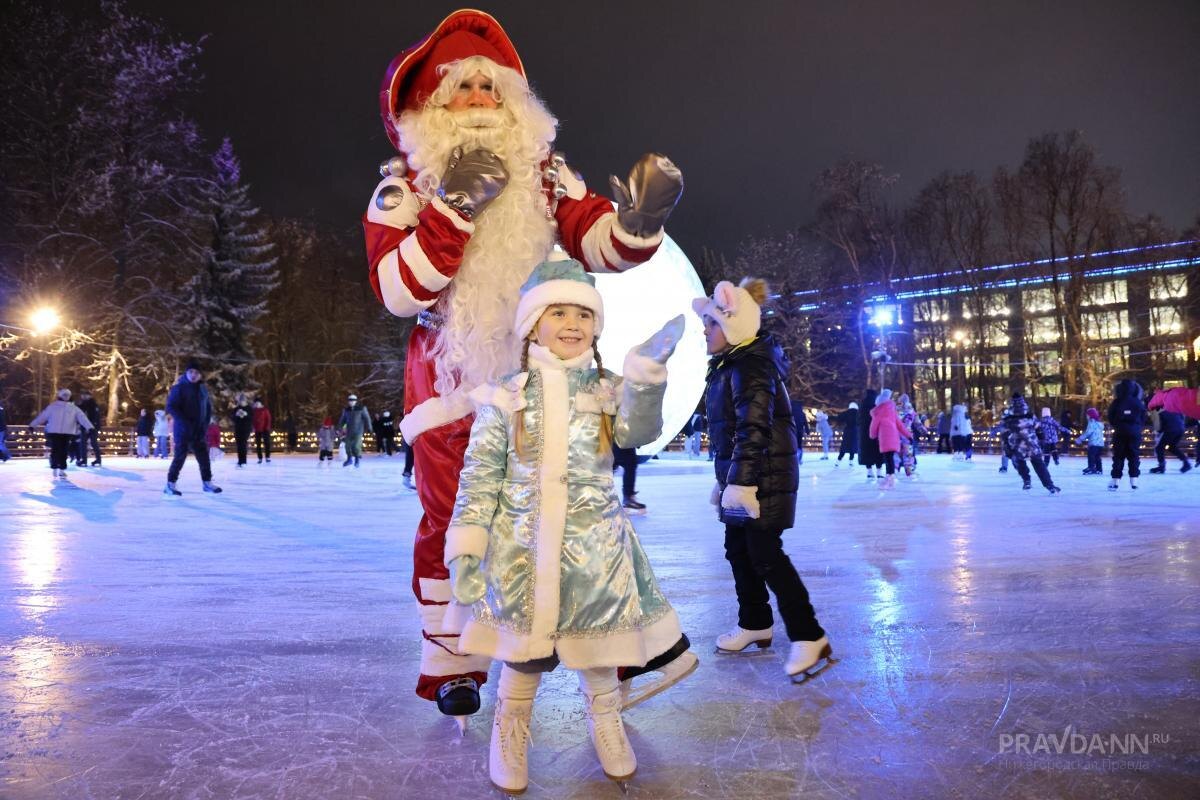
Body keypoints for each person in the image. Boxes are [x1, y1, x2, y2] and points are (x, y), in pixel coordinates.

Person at [362, 10, 689, 719]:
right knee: (454, 517)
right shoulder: (404, 190)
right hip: (452, 382)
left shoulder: (547, 178)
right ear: (429, 103)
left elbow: (599, 242)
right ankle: (454, 662)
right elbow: (395, 290)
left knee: (575, 515)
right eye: (463, 85)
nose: (480, 96)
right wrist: (452, 208)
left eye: (491, 84)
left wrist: (637, 224)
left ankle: (602, 651)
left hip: (549, 374)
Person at [443, 260, 686, 792]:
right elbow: (480, 475)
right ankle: (510, 727)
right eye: (559, 311)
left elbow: (638, 433)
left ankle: (606, 722)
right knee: (523, 655)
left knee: (598, 651)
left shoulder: (605, 388)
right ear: (533, 323)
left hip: (594, 548)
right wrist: (466, 545)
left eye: (583, 313)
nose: (573, 323)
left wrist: (645, 379)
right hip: (520, 551)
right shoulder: (506, 394)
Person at [695, 277, 832, 683]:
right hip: (747, 477)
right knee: (738, 549)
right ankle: (755, 622)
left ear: (733, 328)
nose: (705, 330)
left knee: (765, 553)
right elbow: (732, 433)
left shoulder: (751, 367)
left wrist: (740, 484)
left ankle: (810, 635)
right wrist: (727, 481)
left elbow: (754, 431)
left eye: (711, 323)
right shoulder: (732, 365)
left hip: (763, 479)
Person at [163, 361, 222, 496]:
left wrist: (205, 424)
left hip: (199, 430)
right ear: (186, 373)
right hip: (183, 431)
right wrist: (184, 422)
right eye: (191, 372)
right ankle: (170, 484)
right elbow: (171, 406)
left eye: (196, 372)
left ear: (200, 375)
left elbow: (207, 408)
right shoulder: (179, 388)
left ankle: (207, 482)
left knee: (204, 457)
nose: (193, 375)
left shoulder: (202, 389)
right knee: (180, 457)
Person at [1001, 394, 1060, 494]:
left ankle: (1026, 480)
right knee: (1039, 464)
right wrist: (1041, 439)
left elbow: (1005, 433)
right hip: (1032, 444)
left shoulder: (1008, 417)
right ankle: (1049, 485)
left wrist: (1007, 447)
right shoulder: (1030, 415)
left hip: (1017, 446)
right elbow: (1038, 428)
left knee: (1018, 462)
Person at [30, 388, 93, 479]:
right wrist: (33, 425)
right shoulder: (53, 407)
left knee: (63, 451)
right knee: (56, 450)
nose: (66, 397)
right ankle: (55, 468)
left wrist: (90, 427)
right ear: (60, 396)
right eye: (64, 395)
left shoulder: (73, 408)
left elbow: (82, 418)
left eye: (67, 395)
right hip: (54, 432)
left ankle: (62, 469)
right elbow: (43, 416)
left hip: (66, 433)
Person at [1107, 378, 1147, 491]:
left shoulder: (1116, 402)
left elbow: (1110, 417)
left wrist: (1118, 425)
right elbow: (1144, 417)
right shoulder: (1138, 402)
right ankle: (1134, 480)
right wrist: (1137, 427)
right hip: (1134, 432)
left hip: (1120, 431)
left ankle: (1115, 481)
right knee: (1134, 455)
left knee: (1118, 456)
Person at [868, 389, 911, 490]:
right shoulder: (892, 412)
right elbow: (900, 425)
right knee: (890, 458)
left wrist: (872, 435)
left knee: (888, 459)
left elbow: (873, 426)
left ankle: (890, 478)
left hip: (885, 439)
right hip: (894, 439)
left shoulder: (879, 413)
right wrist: (909, 435)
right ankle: (890, 477)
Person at [1147, 387, 1196, 475]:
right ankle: (1186, 462)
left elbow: (1158, 426)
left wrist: (1159, 431)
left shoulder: (1159, 409)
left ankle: (1161, 467)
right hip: (1180, 428)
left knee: (1159, 448)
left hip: (1171, 429)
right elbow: (1182, 417)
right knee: (1172, 446)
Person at [338, 393, 371, 468]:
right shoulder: (346, 410)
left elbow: (367, 418)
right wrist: (339, 427)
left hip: (358, 431)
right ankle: (349, 459)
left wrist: (369, 427)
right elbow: (342, 420)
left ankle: (357, 459)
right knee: (347, 446)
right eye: (350, 401)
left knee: (356, 446)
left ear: (356, 401)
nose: (351, 402)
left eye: (353, 401)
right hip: (349, 431)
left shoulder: (361, 408)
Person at [75, 389, 103, 466]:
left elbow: (94, 417)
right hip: (86, 426)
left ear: (89, 396)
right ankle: (85, 460)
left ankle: (96, 460)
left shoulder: (92, 404)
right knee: (83, 444)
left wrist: (90, 427)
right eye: (82, 395)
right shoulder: (84, 404)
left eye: (85, 395)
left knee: (92, 443)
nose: (83, 396)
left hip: (91, 427)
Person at [857, 391, 881, 479]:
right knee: (877, 451)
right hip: (876, 431)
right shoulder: (876, 404)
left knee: (867, 451)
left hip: (864, 432)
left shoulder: (862, 404)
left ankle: (869, 471)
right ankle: (879, 471)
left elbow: (858, 418)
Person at [1075, 407, 1105, 475]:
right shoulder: (1099, 423)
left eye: (1087, 415)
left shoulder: (1091, 423)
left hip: (1094, 443)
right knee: (1097, 457)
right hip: (1100, 444)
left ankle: (1091, 468)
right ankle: (1099, 469)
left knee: (1091, 456)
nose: (1086, 416)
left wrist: (1080, 439)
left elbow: (1088, 432)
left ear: (1090, 415)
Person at [230, 393, 254, 468]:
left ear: (245, 401)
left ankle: (243, 461)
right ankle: (240, 460)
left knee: (243, 444)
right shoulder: (236, 409)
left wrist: (246, 415)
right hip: (238, 428)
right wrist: (237, 415)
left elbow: (252, 418)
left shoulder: (249, 408)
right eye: (240, 401)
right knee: (239, 445)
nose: (242, 402)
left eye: (243, 401)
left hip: (246, 428)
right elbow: (233, 418)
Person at [252, 398, 273, 464]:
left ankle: (267, 457)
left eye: (258, 403)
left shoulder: (265, 410)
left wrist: (267, 427)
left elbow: (268, 419)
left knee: (267, 443)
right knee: (258, 444)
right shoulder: (254, 411)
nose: (257, 405)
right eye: (256, 404)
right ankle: (260, 458)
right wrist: (253, 427)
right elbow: (253, 420)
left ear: (261, 404)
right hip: (257, 429)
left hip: (265, 429)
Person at [790, 399, 809, 465]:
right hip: (800, 431)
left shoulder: (791, 413)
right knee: (799, 445)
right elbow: (805, 423)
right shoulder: (802, 413)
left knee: (792, 445)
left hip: (792, 431)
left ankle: (794, 459)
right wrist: (807, 431)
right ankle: (799, 459)